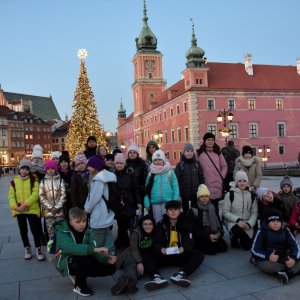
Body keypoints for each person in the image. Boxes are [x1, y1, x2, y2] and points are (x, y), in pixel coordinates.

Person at [53, 207, 117, 297]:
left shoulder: (87, 231)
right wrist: (94, 250)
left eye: (84, 221)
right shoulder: (62, 232)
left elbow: (94, 248)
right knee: (82, 257)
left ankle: (79, 273)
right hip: (66, 260)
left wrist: (105, 259)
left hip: (82, 259)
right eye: (78, 222)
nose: (82, 224)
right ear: (71, 223)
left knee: (111, 267)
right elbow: (72, 248)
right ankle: (79, 285)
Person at [142, 201, 204, 290]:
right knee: (147, 257)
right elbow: (157, 241)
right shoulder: (161, 224)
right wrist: (161, 249)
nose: (173, 211)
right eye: (171, 210)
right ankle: (156, 277)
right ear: (166, 212)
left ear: (180, 212)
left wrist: (184, 248)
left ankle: (182, 274)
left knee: (199, 255)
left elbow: (189, 241)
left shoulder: (185, 224)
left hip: (180, 254)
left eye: (176, 209)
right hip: (165, 255)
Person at [8, 158, 45, 261]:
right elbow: (11, 196)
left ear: (30, 170)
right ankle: (27, 248)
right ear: (19, 169)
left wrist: (25, 204)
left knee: (35, 230)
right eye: (22, 168)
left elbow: (35, 194)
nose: (24, 171)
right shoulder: (14, 182)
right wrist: (15, 207)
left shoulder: (34, 179)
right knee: (23, 231)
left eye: (27, 169)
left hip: (31, 209)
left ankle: (38, 248)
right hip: (19, 210)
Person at [251, 209, 300, 284]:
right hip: (267, 259)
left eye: (278, 221)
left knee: (297, 257)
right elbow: (254, 250)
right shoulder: (261, 232)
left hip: (283, 256)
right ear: (267, 223)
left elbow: (294, 245)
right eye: (272, 221)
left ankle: (286, 274)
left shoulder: (285, 230)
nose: (275, 224)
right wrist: (268, 256)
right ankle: (291, 271)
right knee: (268, 267)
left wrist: (293, 259)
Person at [111, 214, 156, 295]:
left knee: (140, 269)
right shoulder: (136, 232)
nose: (148, 226)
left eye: (150, 224)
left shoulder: (156, 232)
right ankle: (128, 279)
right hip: (132, 253)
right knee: (131, 264)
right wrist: (139, 262)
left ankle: (129, 282)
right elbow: (133, 248)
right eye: (145, 224)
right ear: (141, 225)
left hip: (146, 257)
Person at [84, 154, 116, 252]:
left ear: (96, 167)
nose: (88, 168)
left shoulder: (98, 179)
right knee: (106, 232)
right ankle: (110, 252)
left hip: (99, 211)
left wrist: (87, 209)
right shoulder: (101, 176)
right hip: (103, 210)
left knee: (97, 235)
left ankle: (98, 255)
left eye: (90, 166)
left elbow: (94, 197)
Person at [187, 184, 228, 255]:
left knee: (223, 247)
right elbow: (194, 229)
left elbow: (218, 223)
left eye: (206, 196)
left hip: (213, 233)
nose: (204, 198)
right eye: (202, 196)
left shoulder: (212, 207)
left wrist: (219, 233)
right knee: (212, 250)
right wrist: (208, 236)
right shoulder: (193, 210)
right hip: (201, 236)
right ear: (198, 197)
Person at [223, 171, 258, 250]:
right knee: (238, 232)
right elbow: (225, 212)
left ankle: (244, 237)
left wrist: (249, 224)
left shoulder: (251, 196)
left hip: (247, 222)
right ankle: (233, 237)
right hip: (234, 221)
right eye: (239, 181)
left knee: (247, 246)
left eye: (244, 181)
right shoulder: (230, 194)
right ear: (236, 182)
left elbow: (254, 212)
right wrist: (238, 220)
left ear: (247, 182)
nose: (242, 183)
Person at [195, 133, 227, 218]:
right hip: (206, 184)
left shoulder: (218, 152)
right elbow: (196, 167)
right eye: (208, 140)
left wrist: (221, 176)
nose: (210, 141)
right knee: (205, 208)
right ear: (204, 141)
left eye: (212, 140)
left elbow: (224, 166)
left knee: (215, 208)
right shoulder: (199, 153)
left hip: (217, 184)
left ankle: (217, 228)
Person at [114, 153, 142, 250]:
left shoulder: (131, 175)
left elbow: (136, 189)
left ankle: (118, 244)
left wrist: (138, 202)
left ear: (124, 164)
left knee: (124, 226)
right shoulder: (113, 175)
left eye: (121, 163)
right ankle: (126, 245)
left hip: (129, 203)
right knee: (121, 225)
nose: (119, 165)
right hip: (118, 205)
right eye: (117, 163)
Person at [144, 150, 179, 223]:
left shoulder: (169, 172)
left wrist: (175, 201)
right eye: (156, 160)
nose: (158, 161)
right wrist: (147, 203)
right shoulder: (151, 173)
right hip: (155, 203)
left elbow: (175, 187)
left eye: (160, 159)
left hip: (168, 203)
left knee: (168, 222)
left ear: (163, 160)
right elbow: (147, 190)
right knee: (157, 222)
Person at [39, 160, 66, 239]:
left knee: (61, 231)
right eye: (48, 169)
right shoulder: (43, 182)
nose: (50, 171)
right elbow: (41, 196)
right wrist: (50, 207)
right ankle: (51, 248)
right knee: (50, 232)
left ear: (55, 169)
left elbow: (63, 195)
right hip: (49, 212)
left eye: (52, 169)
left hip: (59, 212)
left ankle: (60, 248)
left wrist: (57, 207)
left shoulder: (61, 181)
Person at [175, 143, 205, 214]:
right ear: (184, 152)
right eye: (188, 151)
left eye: (191, 151)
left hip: (195, 194)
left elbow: (202, 179)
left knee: (195, 212)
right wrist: (179, 195)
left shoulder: (197, 164)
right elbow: (176, 181)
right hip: (184, 194)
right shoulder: (180, 165)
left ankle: (194, 225)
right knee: (185, 212)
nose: (190, 153)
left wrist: (202, 192)